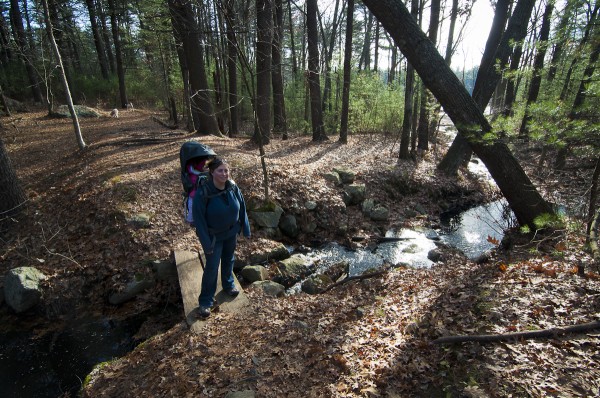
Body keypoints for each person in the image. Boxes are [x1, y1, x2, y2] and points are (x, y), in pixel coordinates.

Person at [192, 157, 251, 318]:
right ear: (212, 172)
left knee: (229, 259)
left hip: (231, 233)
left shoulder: (232, 187)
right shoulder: (203, 192)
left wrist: (245, 228)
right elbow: (199, 220)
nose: (224, 174)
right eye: (220, 170)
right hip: (213, 237)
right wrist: (206, 242)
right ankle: (205, 302)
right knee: (211, 267)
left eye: (226, 170)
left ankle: (228, 285)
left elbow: (242, 207)